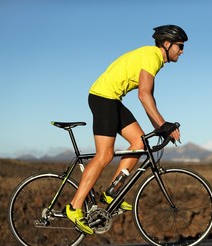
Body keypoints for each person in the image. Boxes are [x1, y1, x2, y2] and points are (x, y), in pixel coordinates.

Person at [64, 25, 188, 235]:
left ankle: (111, 193)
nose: (182, 51)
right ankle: (74, 207)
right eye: (180, 46)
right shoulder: (152, 56)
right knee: (105, 155)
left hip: (111, 99)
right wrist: (164, 124)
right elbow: (143, 95)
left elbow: (149, 97)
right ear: (166, 44)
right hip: (103, 98)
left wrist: (160, 127)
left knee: (139, 142)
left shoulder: (152, 59)